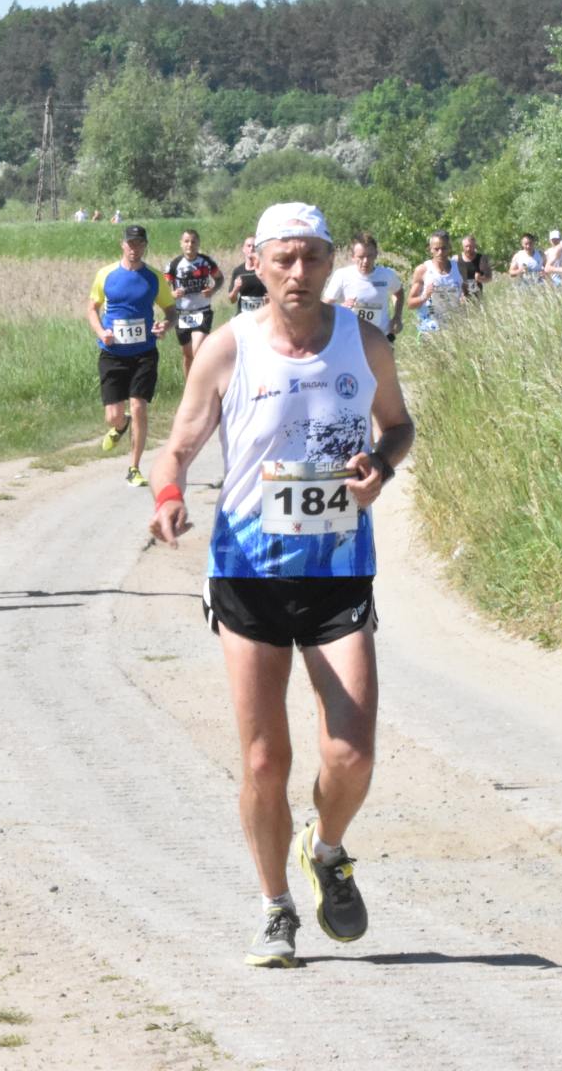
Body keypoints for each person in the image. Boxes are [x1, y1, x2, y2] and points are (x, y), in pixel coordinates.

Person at [147, 201, 414, 969]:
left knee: (352, 754)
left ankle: (325, 849)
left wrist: (381, 464)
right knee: (265, 760)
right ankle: (274, 909)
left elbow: (398, 425)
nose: (299, 272)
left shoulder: (364, 342)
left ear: (331, 262)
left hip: (338, 570)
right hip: (248, 572)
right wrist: (169, 495)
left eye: (312, 258)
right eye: (284, 259)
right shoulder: (228, 349)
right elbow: (178, 445)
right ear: (256, 262)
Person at [88, 224, 176, 488]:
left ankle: (134, 468)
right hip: (112, 353)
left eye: (139, 243)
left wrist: (165, 326)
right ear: (122, 244)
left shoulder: (154, 277)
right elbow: (92, 308)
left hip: (144, 353)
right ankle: (120, 425)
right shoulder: (106, 275)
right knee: (113, 415)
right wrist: (101, 331)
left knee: (138, 406)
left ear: (145, 246)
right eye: (130, 243)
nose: (134, 248)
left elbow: (171, 311)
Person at [322, 232, 404, 341]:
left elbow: (399, 293)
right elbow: (324, 307)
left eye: (369, 256)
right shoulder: (342, 275)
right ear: (352, 257)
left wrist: (397, 317)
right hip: (351, 338)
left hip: (381, 338)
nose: (365, 261)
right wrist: (340, 308)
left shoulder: (387, 274)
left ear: (376, 254)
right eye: (360, 257)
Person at [166, 228, 224, 380]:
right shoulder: (174, 264)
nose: (190, 245)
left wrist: (213, 290)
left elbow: (220, 279)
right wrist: (172, 294)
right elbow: (164, 288)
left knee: (197, 350)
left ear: (198, 243)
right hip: (182, 314)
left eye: (193, 241)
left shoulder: (206, 262)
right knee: (187, 355)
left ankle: (203, 384)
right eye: (186, 241)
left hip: (202, 311)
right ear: (181, 243)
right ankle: (189, 387)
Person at [406, 231, 462, 332]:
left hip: (454, 326)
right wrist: (425, 296)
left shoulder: (459, 268)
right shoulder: (423, 270)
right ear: (430, 249)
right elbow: (410, 304)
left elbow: (469, 294)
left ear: (449, 248)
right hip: (429, 327)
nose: (440, 252)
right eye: (436, 249)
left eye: (444, 248)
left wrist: (465, 299)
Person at [227, 235, 269, 314]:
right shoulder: (238, 271)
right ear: (243, 249)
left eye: (254, 246)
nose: (251, 248)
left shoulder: (265, 270)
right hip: (243, 315)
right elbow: (232, 300)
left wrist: (270, 298)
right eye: (248, 246)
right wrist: (236, 288)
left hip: (262, 315)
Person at [455, 234, 493, 300]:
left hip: (477, 297)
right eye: (466, 246)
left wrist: (480, 279)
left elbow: (489, 278)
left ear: (475, 246)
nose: (468, 249)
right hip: (460, 297)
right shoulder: (456, 259)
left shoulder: (481, 259)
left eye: (471, 246)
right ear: (462, 246)